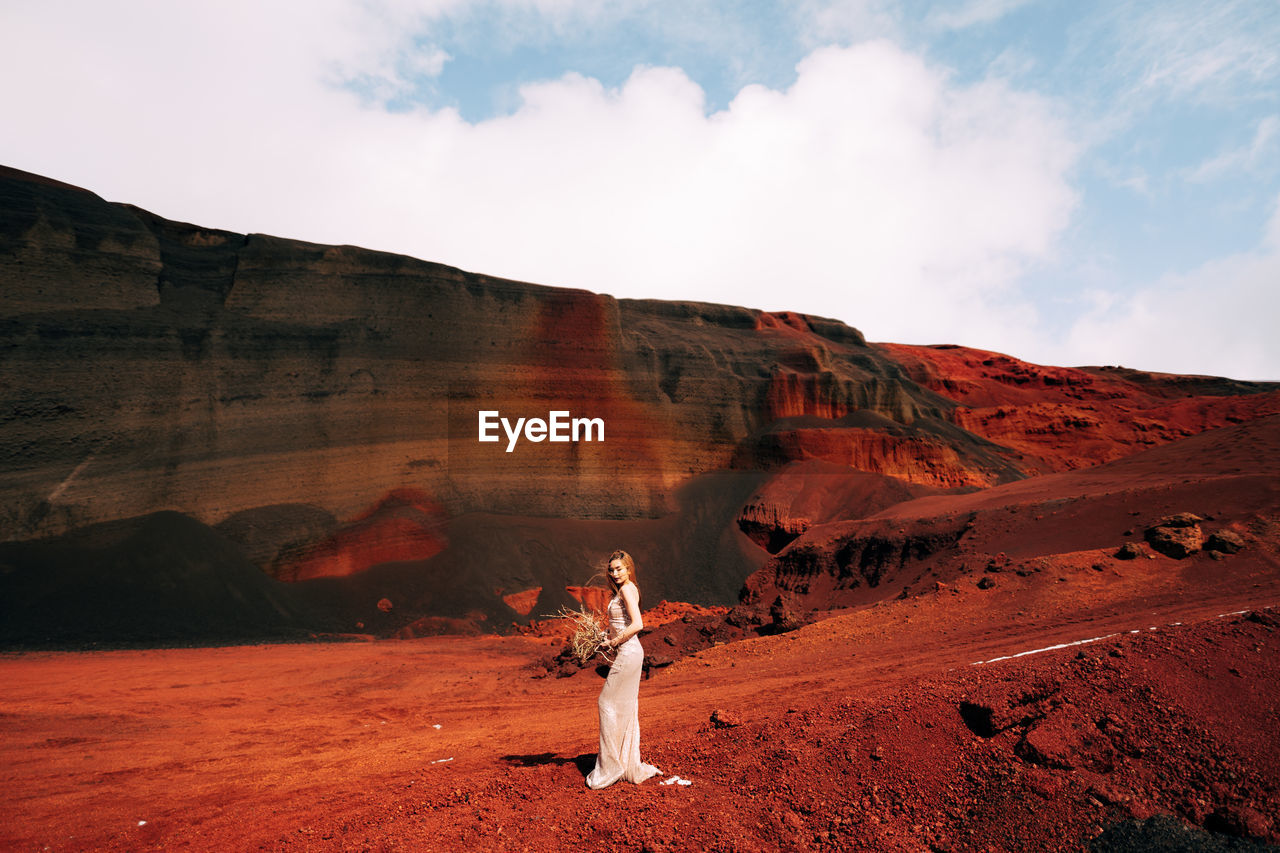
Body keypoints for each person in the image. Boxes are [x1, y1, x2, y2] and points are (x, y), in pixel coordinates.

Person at [585, 549, 662, 789]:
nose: (615, 573)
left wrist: (615, 642)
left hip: (629, 652)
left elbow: (638, 623)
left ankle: (611, 767)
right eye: (612, 569)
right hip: (627, 652)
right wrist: (604, 637)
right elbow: (621, 624)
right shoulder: (621, 591)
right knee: (624, 708)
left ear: (629, 569)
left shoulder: (628, 589)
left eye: (620, 568)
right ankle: (626, 764)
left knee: (605, 703)